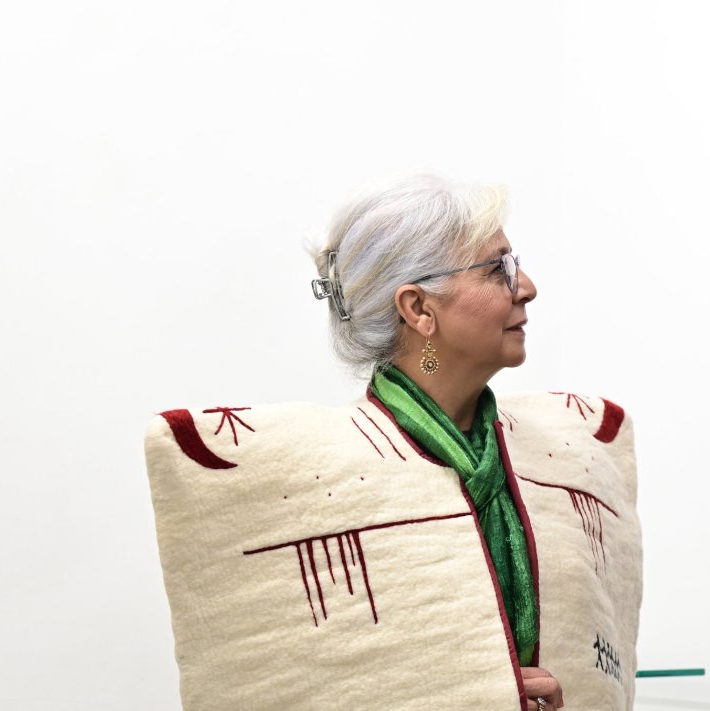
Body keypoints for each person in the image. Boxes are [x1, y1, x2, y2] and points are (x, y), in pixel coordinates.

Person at [143, 175, 641, 710]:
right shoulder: (308, 484)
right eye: (499, 268)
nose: (527, 286)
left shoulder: (568, 456)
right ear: (419, 309)